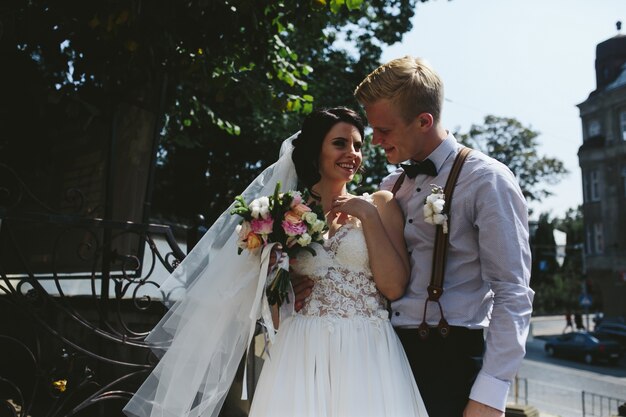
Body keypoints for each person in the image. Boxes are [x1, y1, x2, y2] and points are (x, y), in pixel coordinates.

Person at [123, 107, 428, 417]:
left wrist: (367, 215)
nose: (353, 153)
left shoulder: (380, 204)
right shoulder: (280, 216)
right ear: (315, 150)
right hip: (300, 351)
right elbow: (263, 312)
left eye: (358, 145)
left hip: (367, 350)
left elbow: (393, 287)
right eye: (340, 143)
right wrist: (282, 293)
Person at [295, 56, 534, 417]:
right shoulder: (391, 187)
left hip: (449, 359)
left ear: (424, 121)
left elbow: (513, 292)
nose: (373, 141)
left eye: (384, 130)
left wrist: (490, 394)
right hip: (384, 356)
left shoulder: (487, 179)